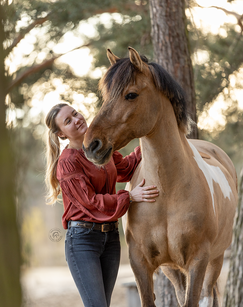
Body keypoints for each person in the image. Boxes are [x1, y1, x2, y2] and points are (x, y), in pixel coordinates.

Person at [44, 103, 159, 307]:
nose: (77, 119)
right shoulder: (68, 162)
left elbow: (126, 167)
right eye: (68, 121)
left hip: (111, 239)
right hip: (83, 242)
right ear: (61, 134)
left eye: (75, 113)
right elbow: (91, 203)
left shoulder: (100, 148)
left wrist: (152, 136)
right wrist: (129, 196)